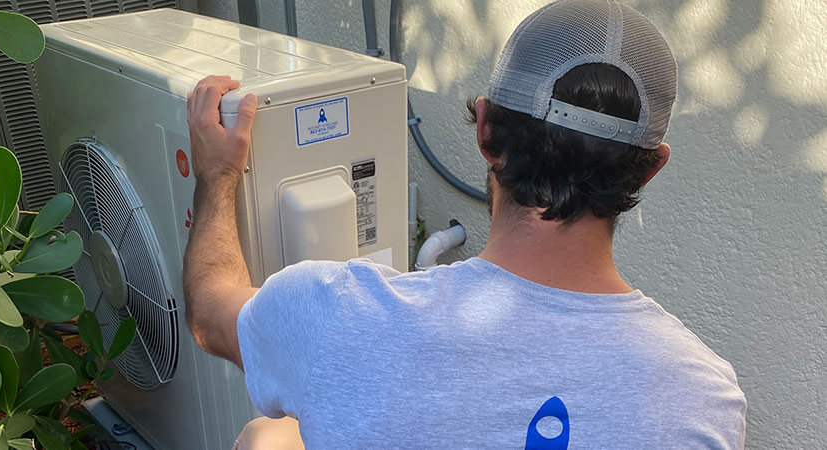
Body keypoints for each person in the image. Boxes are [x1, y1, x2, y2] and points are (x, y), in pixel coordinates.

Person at [182, 0, 747, 448]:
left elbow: (210, 309)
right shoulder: (704, 397)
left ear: (484, 131)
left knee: (268, 436)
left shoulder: (332, 315)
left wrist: (217, 174)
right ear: (649, 169)